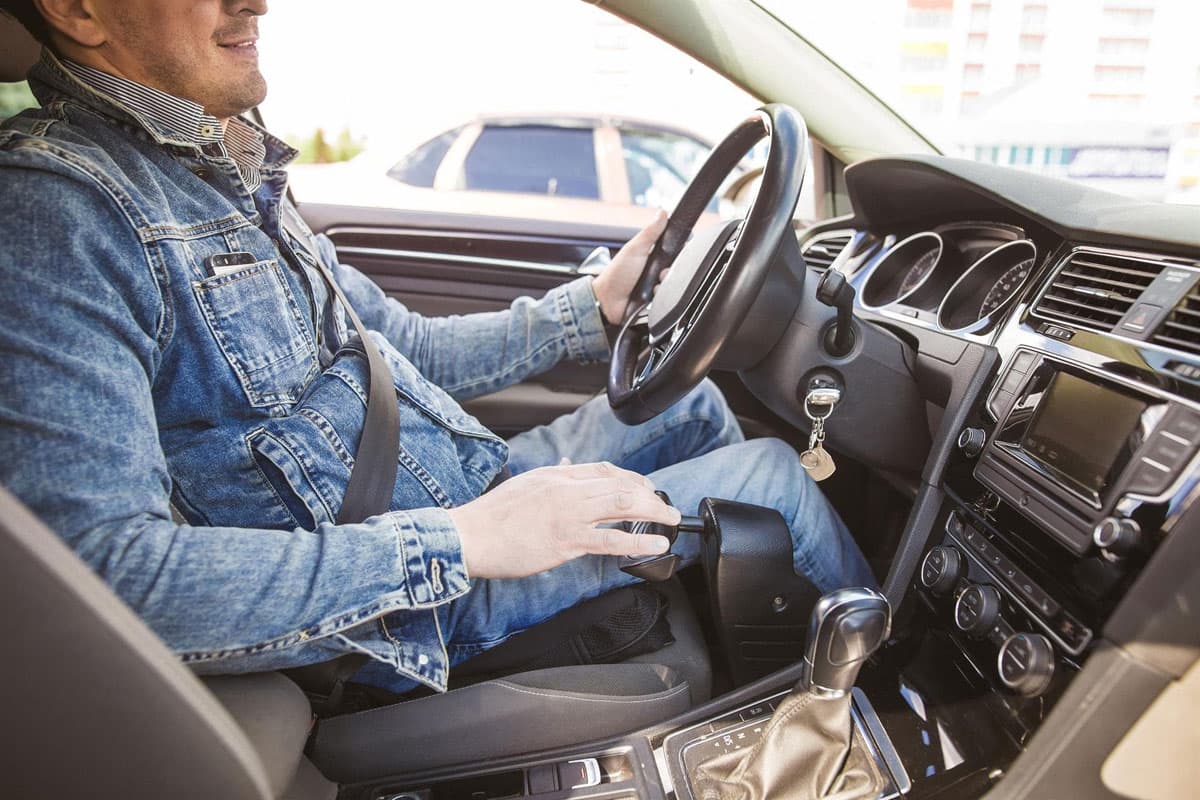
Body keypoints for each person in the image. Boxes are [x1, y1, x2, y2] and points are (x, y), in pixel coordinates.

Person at [0, 0, 874, 695]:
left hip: (468, 486)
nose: (256, 3)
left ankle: (743, 646)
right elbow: (109, 582)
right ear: (78, 9)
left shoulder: (225, 176)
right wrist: (461, 542)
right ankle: (883, 697)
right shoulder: (59, 214)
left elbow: (406, 348)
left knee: (690, 402)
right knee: (773, 483)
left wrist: (595, 310)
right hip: (408, 604)